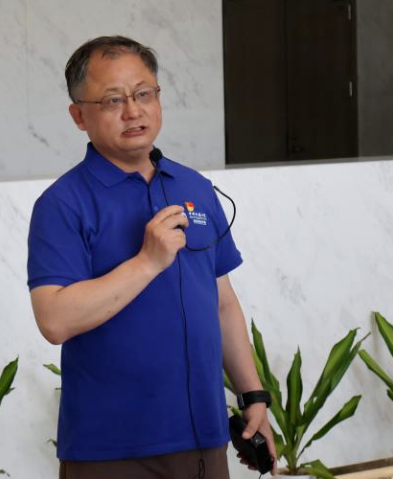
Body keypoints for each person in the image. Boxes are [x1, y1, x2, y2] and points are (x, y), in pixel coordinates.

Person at [27, 36, 276, 478]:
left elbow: (222, 303)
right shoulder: (62, 203)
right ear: (79, 116)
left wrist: (252, 395)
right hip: (110, 450)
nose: (133, 111)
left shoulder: (194, 188)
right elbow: (54, 320)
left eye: (144, 94)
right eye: (112, 100)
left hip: (203, 440)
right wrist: (147, 262)